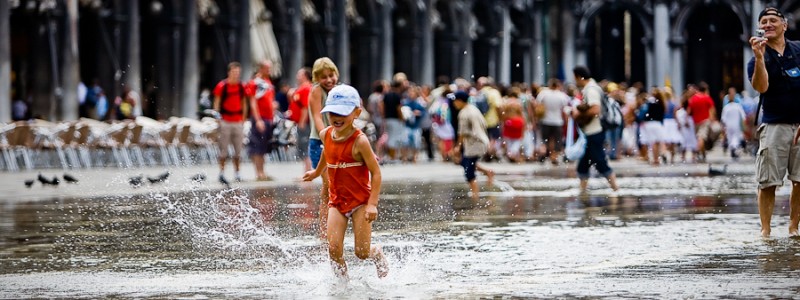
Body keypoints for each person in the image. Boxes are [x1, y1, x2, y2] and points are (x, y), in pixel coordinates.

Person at [302, 84, 388, 279]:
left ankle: (376, 252)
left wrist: (372, 204)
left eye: (343, 112)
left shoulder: (360, 141)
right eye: (332, 112)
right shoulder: (325, 134)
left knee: (361, 253)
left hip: (360, 203)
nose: (337, 117)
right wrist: (316, 172)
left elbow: (376, 173)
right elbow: (327, 152)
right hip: (337, 202)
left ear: (356, 113)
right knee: (333, 249)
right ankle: (342, 287)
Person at [747, 7, 800, 237]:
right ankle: (766, 230)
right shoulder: (757, 57)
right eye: (764, 21)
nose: (768, 24)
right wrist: (759, 57)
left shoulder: (799, 50)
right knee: (768, 181)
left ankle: (793, 227)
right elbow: (761, 87)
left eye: (773, 20)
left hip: (799, 125)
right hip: (774, 125)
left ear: (784, 25)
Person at [571, 66, 619, 194]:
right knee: (583, 164)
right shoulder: (593, 87)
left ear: (579, 77)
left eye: (574, 77)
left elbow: (595, 110)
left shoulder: (591, 90)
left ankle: (616, 188)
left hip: (594, 131)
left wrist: (578, 114)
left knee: (599, 161)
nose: (574, 80)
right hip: (592, 132)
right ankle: (582, 190)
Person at [308, 57, 340, 238]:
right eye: (324, 77)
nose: (329, 80)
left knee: (333, 187)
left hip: (337, 141)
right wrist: (327, 136)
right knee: (328, 187)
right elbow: (317, 117)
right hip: (319, 142)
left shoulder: (339, 89)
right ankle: (325, 231)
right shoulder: (316, 91)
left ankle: (330, 226)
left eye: (331, 75)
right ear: (316, 79)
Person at [449, 90, 495, 201]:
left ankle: (475, 195)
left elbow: (462, 132)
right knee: (465, 162)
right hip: (480, 141)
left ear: (460, 101)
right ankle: (487, 172)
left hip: (474, 143)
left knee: (468, 171)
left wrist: (457, 147)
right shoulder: (474, 109)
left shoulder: (464, 113)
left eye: (455, 101)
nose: (454, 103)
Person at [213, 61, 248, 185]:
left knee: (238, 150)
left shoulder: (241, 86)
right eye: (234, 72)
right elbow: (216, 103)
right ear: (229, 72)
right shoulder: (222, 86)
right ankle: (221, 173)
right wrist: (218, 118)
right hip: (225, 121)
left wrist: (243, 119)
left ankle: (237, 173)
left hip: (237, 121)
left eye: (238, 72)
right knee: (223, 149)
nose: (236, 75)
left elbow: (244, 103)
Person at [246, 60, 276, 181]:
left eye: (270, 68)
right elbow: (252, 102)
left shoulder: (268, 82)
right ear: (261, 68)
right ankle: (258, 172)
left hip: (268, 118)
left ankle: (263, 171)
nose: (269, 70)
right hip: (260, 118)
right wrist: (258, 120)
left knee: (264, 146)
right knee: (257, 145)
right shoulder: (255, 83)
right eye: (267, 68)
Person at [287, 67, 313, 172]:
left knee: (305, 144)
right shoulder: (301, 88)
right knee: (302, 145)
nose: (297, 76)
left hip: (304, 123)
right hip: (299, 122)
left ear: (305, 76)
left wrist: (302, 121)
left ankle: (307, 170)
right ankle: (306, 169)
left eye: (299, 74)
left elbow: (305, 106)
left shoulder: (306, 88)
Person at [687, 82, 716, 162]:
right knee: (701, 137)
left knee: (699, 137)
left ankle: (702, 154)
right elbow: (712, 109)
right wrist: (712, 119)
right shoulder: (707, 98)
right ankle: (697, 150)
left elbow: (689, 111)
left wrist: (686, 119)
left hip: (695, 122)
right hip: (705, 121)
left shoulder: (693, 98)